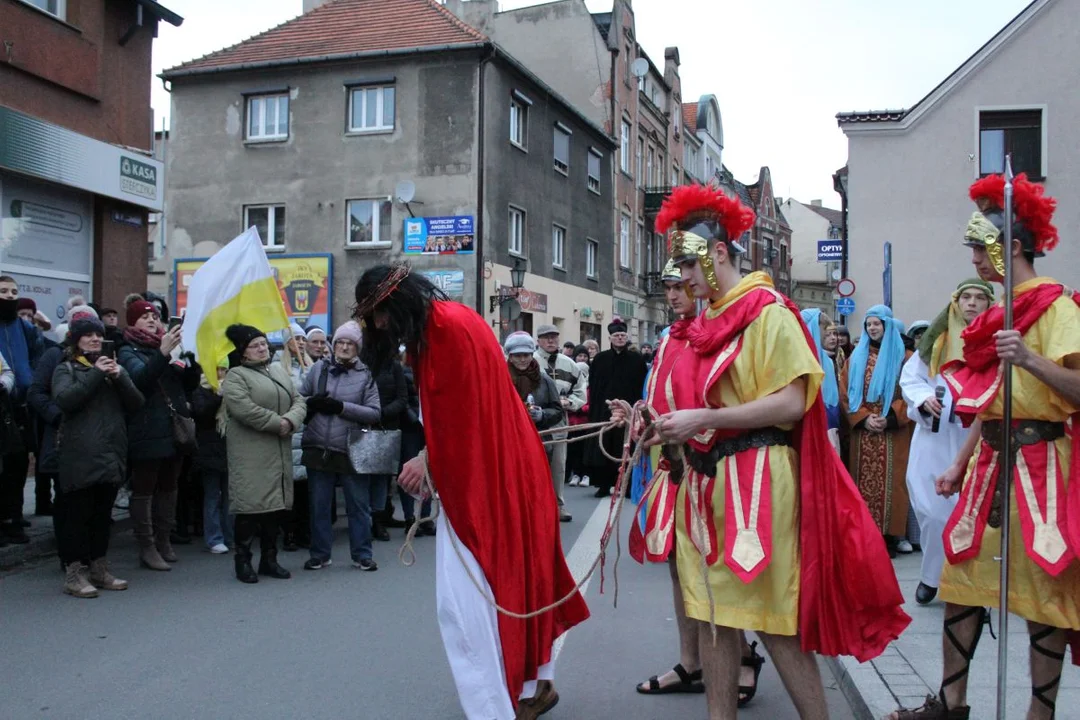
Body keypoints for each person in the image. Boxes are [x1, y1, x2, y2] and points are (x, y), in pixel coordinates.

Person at [649, 184, 908, 720]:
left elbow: (793, 401)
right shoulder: (701, 324)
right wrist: (668, 428)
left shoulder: (768, 311)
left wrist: (708, 419)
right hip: (705, 484)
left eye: (689, 264)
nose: (683, 279)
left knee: (772, 621)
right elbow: (700, 401)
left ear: (718, 252)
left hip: (759, 480)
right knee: (716, 619)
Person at [885, 174, 1080, 720]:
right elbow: (992, 400)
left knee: (1045, 594)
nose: (973, 257)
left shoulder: (1058, 310)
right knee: (963, 583)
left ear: (1011, 247)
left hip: (1043, 466)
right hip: (990, 462)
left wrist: (1033, 360)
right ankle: (951, 705)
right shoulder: (995, 315)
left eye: (979, 245)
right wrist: (958, 461)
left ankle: (1039, 715)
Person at [357, 265, 588, 719]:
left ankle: (493, 706)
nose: (378, 326)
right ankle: (534, 686)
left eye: (378, 315)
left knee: (467, 601)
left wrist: (428, 460)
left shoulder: (445, 333)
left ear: (395, 303)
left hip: (491, 482)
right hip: (508, 472)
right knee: (520, 583)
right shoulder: (450, 322)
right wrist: (431, 454)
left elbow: (462, 422)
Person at [898, 280, 994, 607]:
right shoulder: (936, 343)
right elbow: (911, 379)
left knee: (971, 511)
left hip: (977, 437)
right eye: (966, 297)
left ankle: (965, 583)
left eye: (980, 298)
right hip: (934, 437)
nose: (972, 303)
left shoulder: (995, 342)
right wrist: (924, 399)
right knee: (931, 509)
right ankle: (931, 574)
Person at [51, 314, 144, 597]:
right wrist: (96, 374)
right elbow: (66, 400)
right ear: (75, 340)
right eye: (87, 335)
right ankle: (74, 574)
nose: (94, 339)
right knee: (76, 517)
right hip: (79, 455)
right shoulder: (66, 369)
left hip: (111, 453)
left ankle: (99, 568)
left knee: (102, 517)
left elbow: (137, 403)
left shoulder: (113, 369)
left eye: (98, 334)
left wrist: (120, 378)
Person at [118, 296, 198, 571]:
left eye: (154, 316)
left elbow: (190, 383)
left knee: (169, 487)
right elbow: (140, 380)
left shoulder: (168, 346)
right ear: (132, 322)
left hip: (173, 428)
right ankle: (147, 546)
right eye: (144, 317)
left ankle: (164, 540)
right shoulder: (127, 350)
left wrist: (189, 358)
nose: (152, 320)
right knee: (144, 489)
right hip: (146, 428)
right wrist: (162, 354)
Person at [222, 324, 307, 583]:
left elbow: (299, 400)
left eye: (263, 343)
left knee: (275, 509)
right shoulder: (236, 376)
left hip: (278, 453)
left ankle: (269, 560)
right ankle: (243, 561)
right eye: (255, 345)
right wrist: (277, 423)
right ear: (243, 352)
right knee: (250, 510)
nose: (262, 348)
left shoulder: (278, 371)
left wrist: (291, 421)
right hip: (251, 456)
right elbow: (243, 409)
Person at [299, 322, 382, 571]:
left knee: (358, 506)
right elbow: (299, 399)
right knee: (319, 506)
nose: (344, 347)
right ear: (333, 346)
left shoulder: (366, 375)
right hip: (318, 445)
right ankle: (320, 554)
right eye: (340, 343)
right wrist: (312, 402)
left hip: (351, 448)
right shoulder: (318, 369)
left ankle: (362, 554)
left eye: (350, 344)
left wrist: (341, 408)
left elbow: (374, 413)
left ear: (357, 349)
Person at [840, 305, 914, 557]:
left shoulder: (905, 358)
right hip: (864, 433)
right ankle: (867, 536)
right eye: (868, 324)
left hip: (893, 432)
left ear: (887, 326)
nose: (872, 328)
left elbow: (913, 392)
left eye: (877, 323)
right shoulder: (855, 359)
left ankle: (890, 537)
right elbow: (844, 393)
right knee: (861, 484)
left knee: (895, 484)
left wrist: (890, 416)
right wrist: (863, 418)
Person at [0, 275, 45, 544]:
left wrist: (32, 380)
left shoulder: (24, 327)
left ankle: (14, 518)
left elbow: (37, 353)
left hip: (21, 405)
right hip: (0, 403)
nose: (8, 295)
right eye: (3, 290)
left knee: (18, 464)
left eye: (13, 291)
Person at [583, 319, 648, 498]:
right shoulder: (600, 360)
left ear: (627, 338)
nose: (620, 338)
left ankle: (626, 486)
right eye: (616, 336)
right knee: (604, 447)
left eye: (623, 336)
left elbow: (641, 387)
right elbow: (594, 387)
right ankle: (604, 485)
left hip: (628, 413)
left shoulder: (637, 360)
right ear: (610, 338)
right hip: (604, 412)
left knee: (626, 447)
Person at [534, 324, 586, 521]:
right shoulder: (531, 361)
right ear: (538, 340)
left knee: (558, 465)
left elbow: (581, 389)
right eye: (546, 337)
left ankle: (558, 505)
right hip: (536, 422)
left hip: (559, 422)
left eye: (554, 337)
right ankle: (536, 505)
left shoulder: (569, 364)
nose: (551, 341)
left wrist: (569, 402)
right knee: (536, 464)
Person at [191, 364, 232, 554]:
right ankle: (214, 538)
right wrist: (218, 397)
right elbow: (202, 414)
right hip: (208, 451)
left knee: (230, 497)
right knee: (212, 496)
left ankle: (230, 535)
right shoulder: (200, 390)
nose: (220, 374)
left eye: (223, 369)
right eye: (215, 369)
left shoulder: (233, 388)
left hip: (229, 449)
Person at [506, 332, 565, 439]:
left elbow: (558, 412)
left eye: (526, 355)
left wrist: (542, 415)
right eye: (518, 356)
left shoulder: (544, 380)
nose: (522, 360)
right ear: (510, 357)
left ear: (532, 356)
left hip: (539, 438)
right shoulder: (502, 380)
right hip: (509, 437)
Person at [398, 352, 432, 536]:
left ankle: (425, 516)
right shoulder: (403, 373)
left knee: (427, 472)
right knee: (411, 471)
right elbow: (403, 400)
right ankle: (409, 517)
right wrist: (416, 420)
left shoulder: (431, 372)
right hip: (411, 428)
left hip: (428, 428)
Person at [802, 309, 843, 455]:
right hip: (811, 422)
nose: (826, 334)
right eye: (823, 329)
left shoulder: (826, 360)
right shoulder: (804, 359)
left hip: (828, 422)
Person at [566, 345, 592, 488]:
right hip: (572, 422)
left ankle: (586, 475)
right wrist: (570, 406)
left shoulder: (590, 387)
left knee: (585, 449)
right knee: (574, 450)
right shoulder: (571, 385)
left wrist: (581, 408)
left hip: (585, 422)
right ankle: (576, 474)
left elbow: (591, 404)